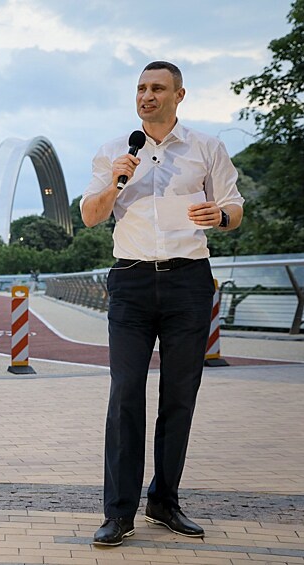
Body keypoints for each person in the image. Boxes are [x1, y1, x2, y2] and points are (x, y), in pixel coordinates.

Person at [81, 61, 244, 547]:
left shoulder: (206, 148)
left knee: (179, 397)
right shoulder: (115, 152)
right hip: (130, 282)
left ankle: (165, 500)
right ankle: (118, 512)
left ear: (179, 95)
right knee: (125, 394)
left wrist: (220, 215)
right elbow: (90, 217)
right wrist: (114, 180)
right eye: (140, 88)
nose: (146, 96)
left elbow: (234, 208)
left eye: (157, 88)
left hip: (188, 281)